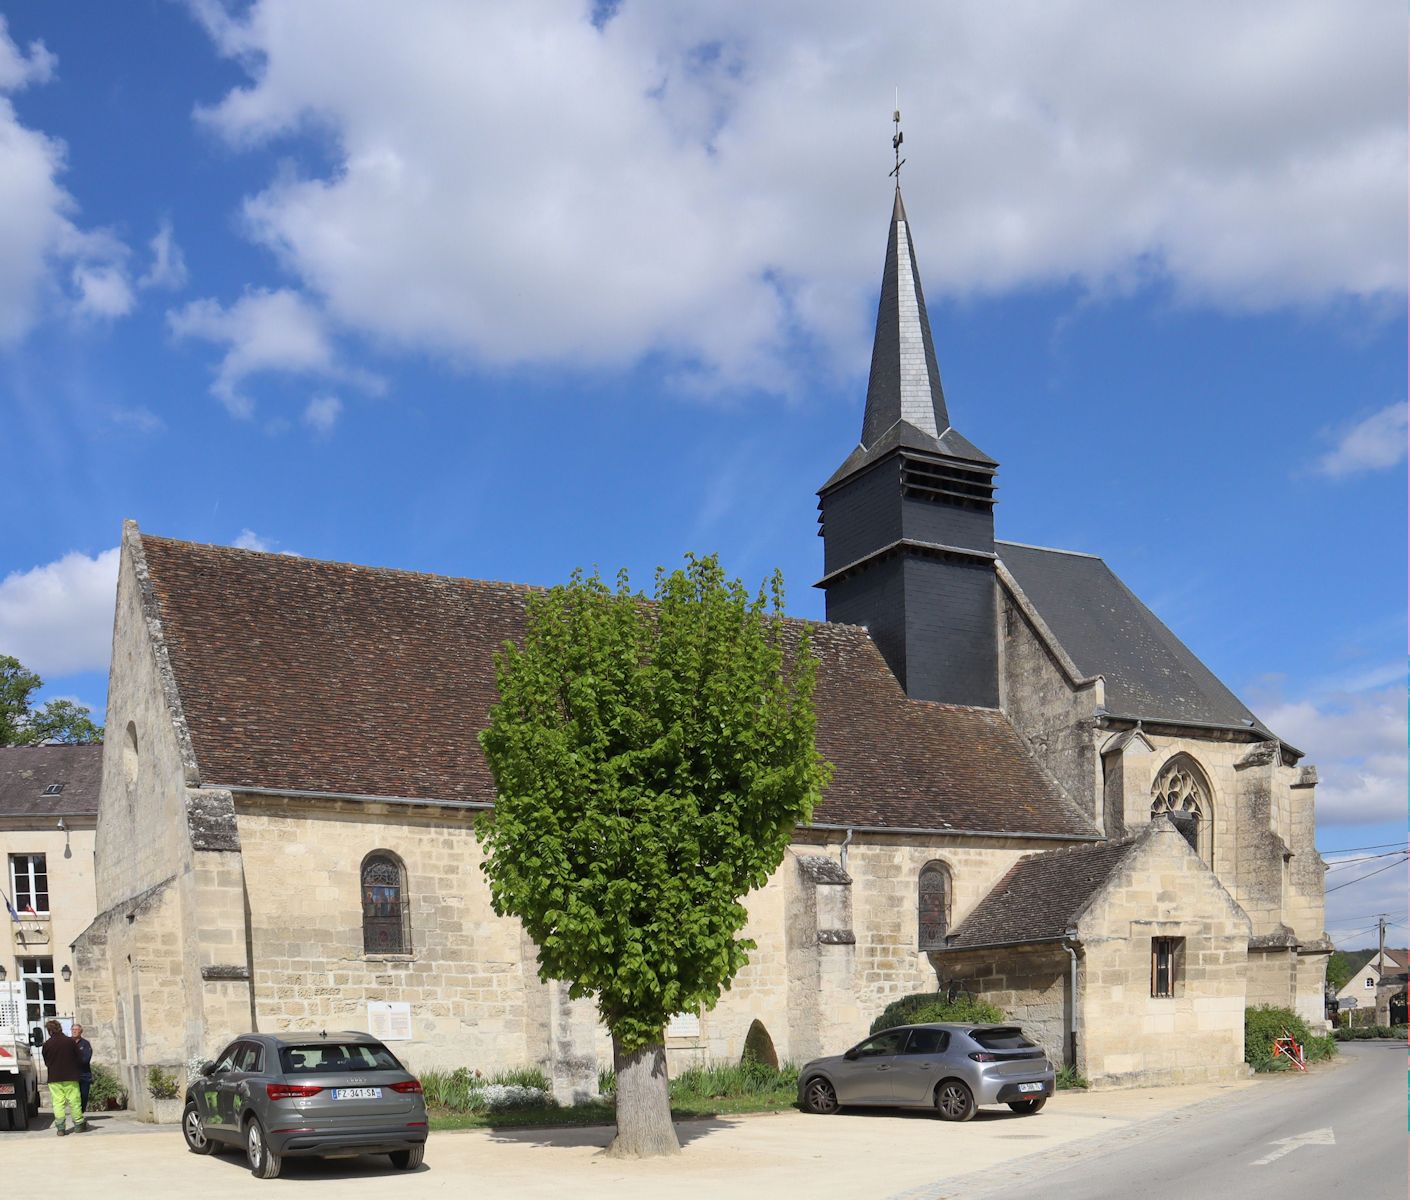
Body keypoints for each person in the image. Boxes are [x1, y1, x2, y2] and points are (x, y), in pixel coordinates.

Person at [40, 1020, 88, 1136]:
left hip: (54, 1078)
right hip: (71, 1076)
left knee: (58, 1103)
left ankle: (61, 1127)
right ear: (60, 1028)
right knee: (74, 1101)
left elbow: (46, 1061)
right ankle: (78, 1124)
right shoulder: (70, 1042)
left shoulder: (47, 1044)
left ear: (49, 1031)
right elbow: (80, 1058)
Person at [71, 1023, 93, 1114]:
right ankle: (77, 1114)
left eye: (76, 1029)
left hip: (84, 1074)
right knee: (74, 1097)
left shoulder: (85, 1044)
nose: (74, 1031)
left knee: (84, 1096)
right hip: (72, 1074)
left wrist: (72, 1060)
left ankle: (81, 1112)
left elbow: (86, 1059)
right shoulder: (68, 1043)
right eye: (73, 1029)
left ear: (81, 1031)